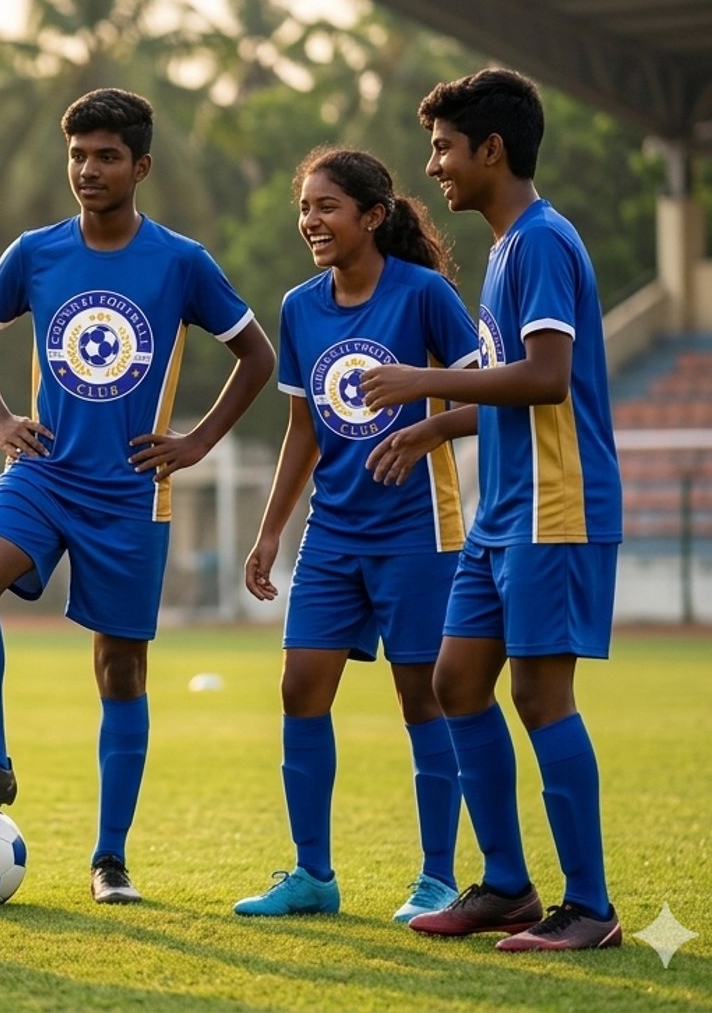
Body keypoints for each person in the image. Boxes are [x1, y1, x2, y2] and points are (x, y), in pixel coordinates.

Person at [0, 88, 275, 907]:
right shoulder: (36, 252)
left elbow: (255, 356)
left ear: (140, 166)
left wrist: (197, 442)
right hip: (44, 473)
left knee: (120, 669)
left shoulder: (181, 262)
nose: (88, 169)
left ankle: (110, 857)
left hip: (130, 494)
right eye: (78, 154)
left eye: (107, 155)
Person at [361, 68, 624, 952]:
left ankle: (590, 907)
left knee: (541, 695)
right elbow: (510, 386)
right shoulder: (508, 247)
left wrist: (424, 381)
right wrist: (439, 425)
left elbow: (548, 378)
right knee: (455, 681)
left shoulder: (544, 242)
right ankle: (508, 886)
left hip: (555, 504)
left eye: (442, 147)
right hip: (502, 513)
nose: (432, 165)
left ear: (491, 149)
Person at [234, 147, 477, 922]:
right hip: (333, 534)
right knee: (300, 687)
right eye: (306, 206)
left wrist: (430, 428)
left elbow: (496, 397)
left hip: (418, 531)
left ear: (372, 216)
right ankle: (312, 874)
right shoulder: (300, 306)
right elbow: (302, 429)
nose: (312, 220)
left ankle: (437, 877)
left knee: (422, 699)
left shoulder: (425, 295)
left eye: (328, 206)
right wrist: (272, 530)